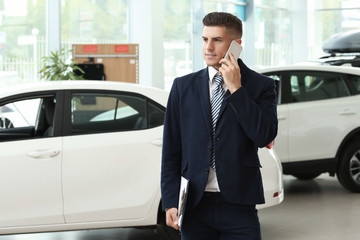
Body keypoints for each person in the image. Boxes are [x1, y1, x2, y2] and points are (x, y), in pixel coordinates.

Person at [161, 11, 278, 240]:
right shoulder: (182, 87)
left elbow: (264, 136)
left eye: (217, 40)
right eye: (205, 39)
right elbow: (171, 150)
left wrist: (236, 89)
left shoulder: (261, 86)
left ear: (237, 45)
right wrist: (169, 201)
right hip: (194, 205)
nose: (208, 47)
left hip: (239, 205)